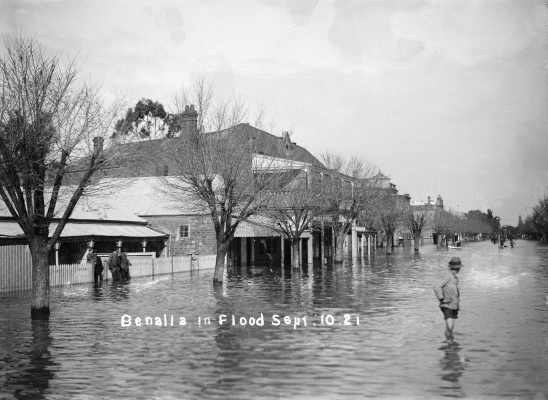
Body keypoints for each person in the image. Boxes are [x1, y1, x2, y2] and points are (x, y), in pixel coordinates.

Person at [433, 257, 462, 341]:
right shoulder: (448, 276)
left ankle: (449, 343)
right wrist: (441, 299)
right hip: (447, 305)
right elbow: (436, 286)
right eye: (458, 267)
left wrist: (458, 305)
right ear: (457, 268)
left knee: (450, 327)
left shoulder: (455, 278)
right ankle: (449, 343)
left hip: (453, 305)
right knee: (450, 326)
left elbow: (456, 293)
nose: (459, 269)